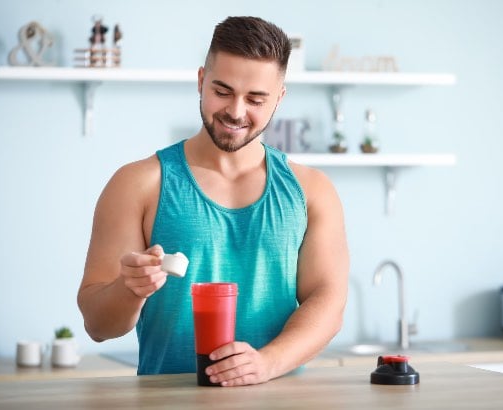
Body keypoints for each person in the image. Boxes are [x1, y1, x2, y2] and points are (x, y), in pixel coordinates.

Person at [77, 16, 349, 387]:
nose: (236, 112)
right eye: (222, 91)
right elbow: (97, 326)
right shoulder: (138, 184)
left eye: (255, 99)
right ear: (201, 80)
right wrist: (129, 288)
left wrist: (266, 363)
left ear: (279, 98)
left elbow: (328, 302)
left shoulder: (312, 191)